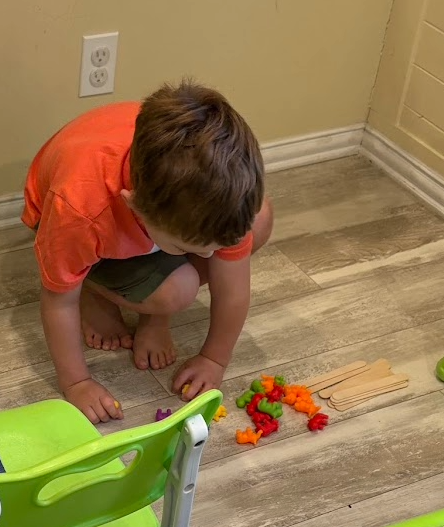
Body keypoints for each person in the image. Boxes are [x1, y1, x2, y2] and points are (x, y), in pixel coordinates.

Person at [22, 80, 273, 424]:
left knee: (259, 220)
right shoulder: (80, 210)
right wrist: (77, 383)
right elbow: (57, 300)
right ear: (134, 206)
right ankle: (93, 291)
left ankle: (153, 312)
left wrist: (215, 358)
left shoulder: (224, 188)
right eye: (190, 248)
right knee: (177, 289)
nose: (215, 256)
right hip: (72, 225)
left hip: (142, 218)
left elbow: (233, 289)